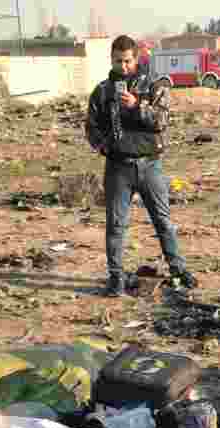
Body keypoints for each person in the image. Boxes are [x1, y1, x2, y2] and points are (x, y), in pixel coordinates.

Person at [86, 35, 197, 297]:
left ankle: (178, 270)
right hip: (118, 167)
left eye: (127, 61)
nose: (122, 66)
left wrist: (137, 106)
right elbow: (91, 126)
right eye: (117, 61)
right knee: (115, 225)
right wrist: (103, 146)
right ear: (111, 60)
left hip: (149, 165)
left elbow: (162, 121)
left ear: (136, 59)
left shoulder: (155, 85)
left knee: (163, 221)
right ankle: (116, 278)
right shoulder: (102, 91)